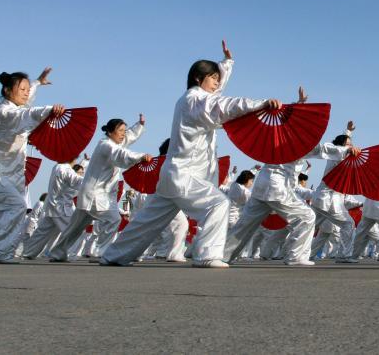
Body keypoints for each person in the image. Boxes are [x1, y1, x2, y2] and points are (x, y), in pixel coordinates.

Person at [102, 40, 280, 268]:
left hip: (174, 174)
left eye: (218, 78)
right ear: (198, 78)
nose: (217, 83)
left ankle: (113, 255)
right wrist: (260, 104)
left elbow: (217, 96)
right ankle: (206, 255)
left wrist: (226, 63)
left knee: (147, 222)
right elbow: (224, 105)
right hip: (184, 174)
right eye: (213, 78)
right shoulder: (195, 99)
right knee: (218, 204)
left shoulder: (190, 99)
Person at [225, 88, 356, 266]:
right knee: (306, 217)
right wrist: (348, 149)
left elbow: (286, 122)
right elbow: (324, 149)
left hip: (261, 184)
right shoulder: (300, 142)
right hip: (277, 187)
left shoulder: (277, 136)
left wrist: (298, 105)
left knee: (245, 225)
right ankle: (295, 256)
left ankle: (222, 256)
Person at [0, 69, 62, 262]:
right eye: (22, 89)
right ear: (8, 91)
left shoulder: (14, 106)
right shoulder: (4, 112)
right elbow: (21, 116)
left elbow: (26, 105)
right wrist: (48, 110)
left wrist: (37, 83)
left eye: (27, 89)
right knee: (15, 205)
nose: (26, 93)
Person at [47, 116, 151, 262]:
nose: (123, 134)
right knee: (113, 219)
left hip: (94, 193)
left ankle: (57, 253)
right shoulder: (106, 145)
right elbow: (121, 155)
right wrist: (141, 156)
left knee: (74, 228)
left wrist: (139, 125)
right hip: (95, 193)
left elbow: (129, 137)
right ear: (110, 132)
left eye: (124, 131)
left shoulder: (115, 143)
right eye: (120, 131)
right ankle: (99, 252)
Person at [310, 122, 360, 262]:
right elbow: (337, 148)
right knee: (348, 224)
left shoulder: (342, 156)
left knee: (310, 226)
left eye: (351, 144)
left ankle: (302, 254)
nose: (351, 147)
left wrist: (348, 132)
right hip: (329, 199)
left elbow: (342, 147)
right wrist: (347, 146)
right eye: (348, 144)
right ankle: (344, 255)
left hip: (323, 198)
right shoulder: (336, 155)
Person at [22, 161, 85, 258]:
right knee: (73, 230)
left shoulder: (58, 167)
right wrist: (95, 181)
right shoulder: (64, 169)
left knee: (42, 233)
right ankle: (64, 254)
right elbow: (77, 181)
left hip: (54, 206)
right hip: (61, 208)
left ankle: (28, 253)